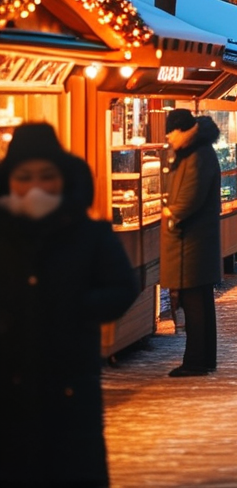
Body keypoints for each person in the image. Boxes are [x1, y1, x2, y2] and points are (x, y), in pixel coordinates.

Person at [0, 123, 138, 487]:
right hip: (8, 385)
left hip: (70, 383)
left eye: (47, 175)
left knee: (73, 469)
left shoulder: (88, 233)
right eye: (24, 176)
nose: (35, 186)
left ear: (62, 178)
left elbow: (123, 287)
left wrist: (75, 307)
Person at [161, 108, 223, 377]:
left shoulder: (196, 154)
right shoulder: (197, 150)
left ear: (181, 130)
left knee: (195, 301)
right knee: (200, 301)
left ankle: (196, 361)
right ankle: (203, 358)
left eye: (170, 132)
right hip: (197, 238)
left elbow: (190, 195)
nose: (168, 137)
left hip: (192, 239)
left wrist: (172, 214)